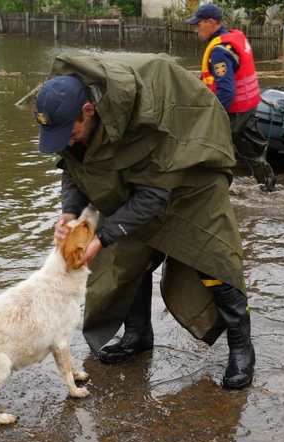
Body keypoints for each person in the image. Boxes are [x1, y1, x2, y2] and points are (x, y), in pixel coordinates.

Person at [33, 52, 255, 389]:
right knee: (126, 259)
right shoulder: (71, 115)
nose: (66, 140)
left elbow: (153, 197)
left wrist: (101, 236)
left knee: (214, 259)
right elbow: (74, 167)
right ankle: (137, 335)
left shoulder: (145, 115)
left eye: (70, 131)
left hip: (192, 174)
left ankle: (242, 350)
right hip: (138, 179)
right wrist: (69, 211)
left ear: (89, 111)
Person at [186, 4, 276, 191]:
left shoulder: (220, 51)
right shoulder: (234, 38)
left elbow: (226, 90)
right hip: (247, 106)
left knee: (208, 149)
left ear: (211, 22)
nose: (195, 30)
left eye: (198, 25)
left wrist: (215, 117)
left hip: (233, 110)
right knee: (251, 151)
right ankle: (269, 190)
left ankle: (208, 191)